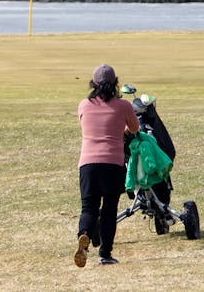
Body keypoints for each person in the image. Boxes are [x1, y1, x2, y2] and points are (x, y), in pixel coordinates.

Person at [74, 64, 139, 267]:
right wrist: (123, 132)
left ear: (93, 83)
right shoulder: (124, 106)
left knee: (88, 208)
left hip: (88, 164)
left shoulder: (84, 105)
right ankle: (105, 254)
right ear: (115, 83)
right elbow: (135, 128)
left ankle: (84, 235)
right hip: (113, 163)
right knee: (109, 210)